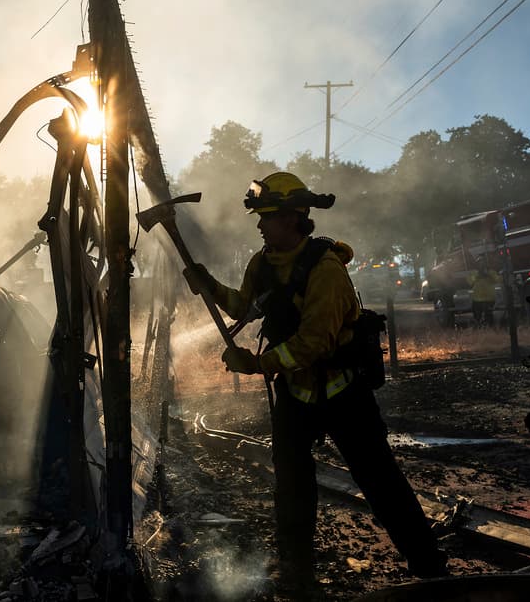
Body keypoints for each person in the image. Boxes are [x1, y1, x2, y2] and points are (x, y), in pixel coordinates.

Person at [184, 172, 447, 593]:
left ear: (292, 218)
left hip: (344, 393)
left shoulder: (326, 270)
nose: (259, 225)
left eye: (267, 217)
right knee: (291, 486)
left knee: (380, 482)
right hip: (295, 393)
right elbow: (244, 306)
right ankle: (298, 574)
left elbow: (313, 343)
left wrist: (257, 364)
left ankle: (430, 569)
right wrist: (210, 286)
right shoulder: (263, 263)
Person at [468, 258, 500, 328]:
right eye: (479, 263)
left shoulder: (491, 272)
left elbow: (498, 280)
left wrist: (488, 275)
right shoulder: (473, 273)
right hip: (477, 299)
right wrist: (477, 276)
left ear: (486, 264)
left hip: (489, 299)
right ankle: (478, 328)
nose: (481, 265)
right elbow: (470, 282)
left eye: (483, 263)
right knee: (477, 316)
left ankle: (490, 328)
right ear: (477, 264)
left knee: (488, 315)